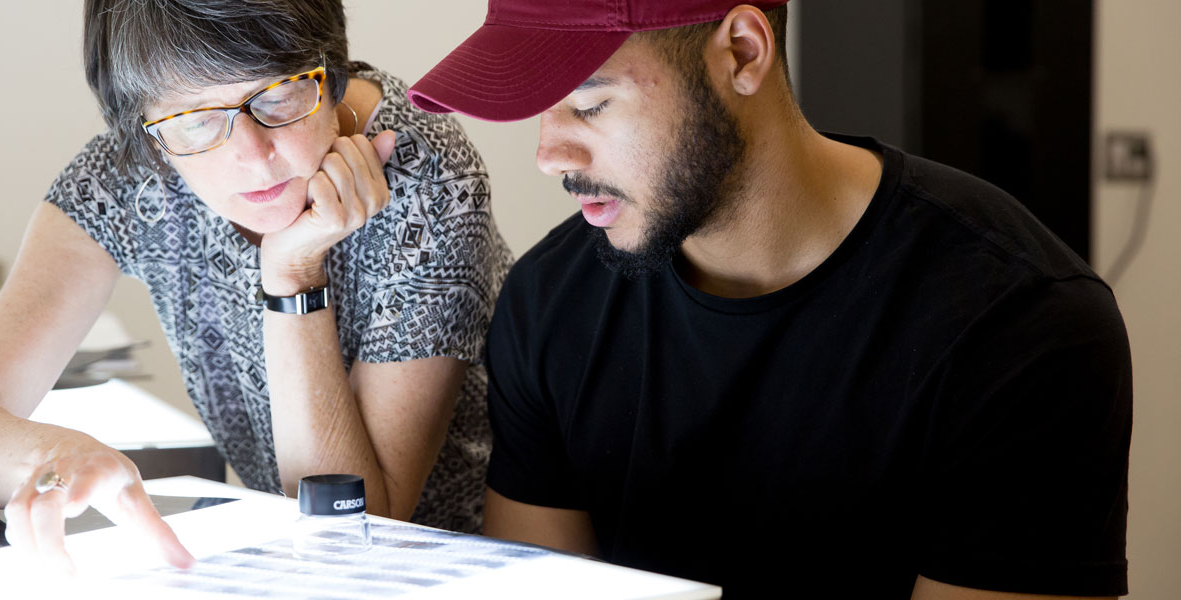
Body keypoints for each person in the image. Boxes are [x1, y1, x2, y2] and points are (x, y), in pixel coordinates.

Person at [408, 0, 1131, 598]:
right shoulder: (550, 305)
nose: (548, 154)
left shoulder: (1019, 325)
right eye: (542, 107)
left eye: (591, 105)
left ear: (744, 53)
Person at [0, 0, 510, 571]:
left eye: (276, 96)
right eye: (196, 120)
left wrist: (292, 273)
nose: (254, 154)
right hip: (286, 565)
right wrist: (55, 455)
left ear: (330, 71)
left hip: (460, 568)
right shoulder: (134, 173)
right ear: (145, 132)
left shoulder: (424, 174)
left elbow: (356, 522)